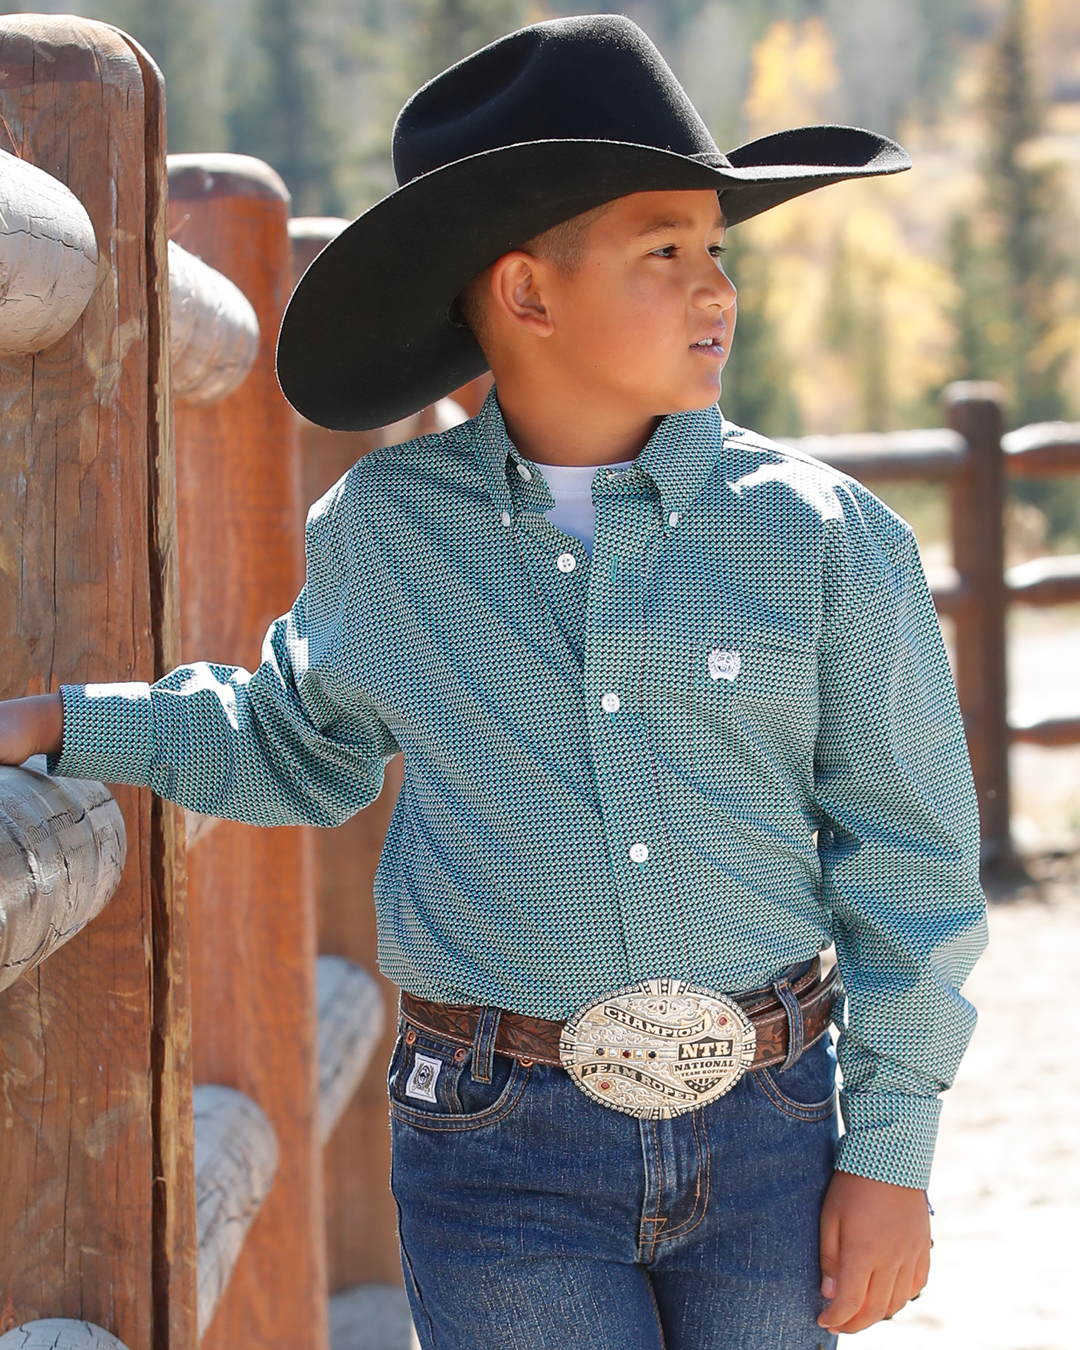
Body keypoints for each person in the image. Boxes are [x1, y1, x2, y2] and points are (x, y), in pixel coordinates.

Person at [0, 15, 987, 1350]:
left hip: (773, 1128)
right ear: (527, 294)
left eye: (716, 248)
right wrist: (71, 719)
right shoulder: (389, 532)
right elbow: (300, 740)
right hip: (496, 1144)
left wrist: (895, 1150)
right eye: (664, 250)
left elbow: (912, 855)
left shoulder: (823, 537)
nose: (715, 288)